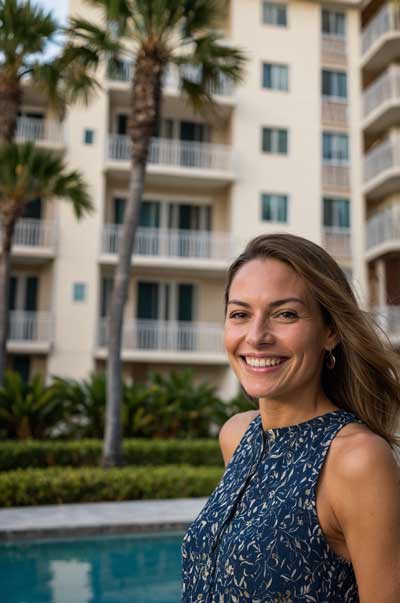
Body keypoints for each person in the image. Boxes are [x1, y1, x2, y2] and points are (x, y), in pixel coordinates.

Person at [181, 233, 400, 603]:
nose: (256, 336)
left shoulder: (356, 459)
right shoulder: (236, 435)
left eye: (285, 314)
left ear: (329, 332)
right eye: (240, 314)